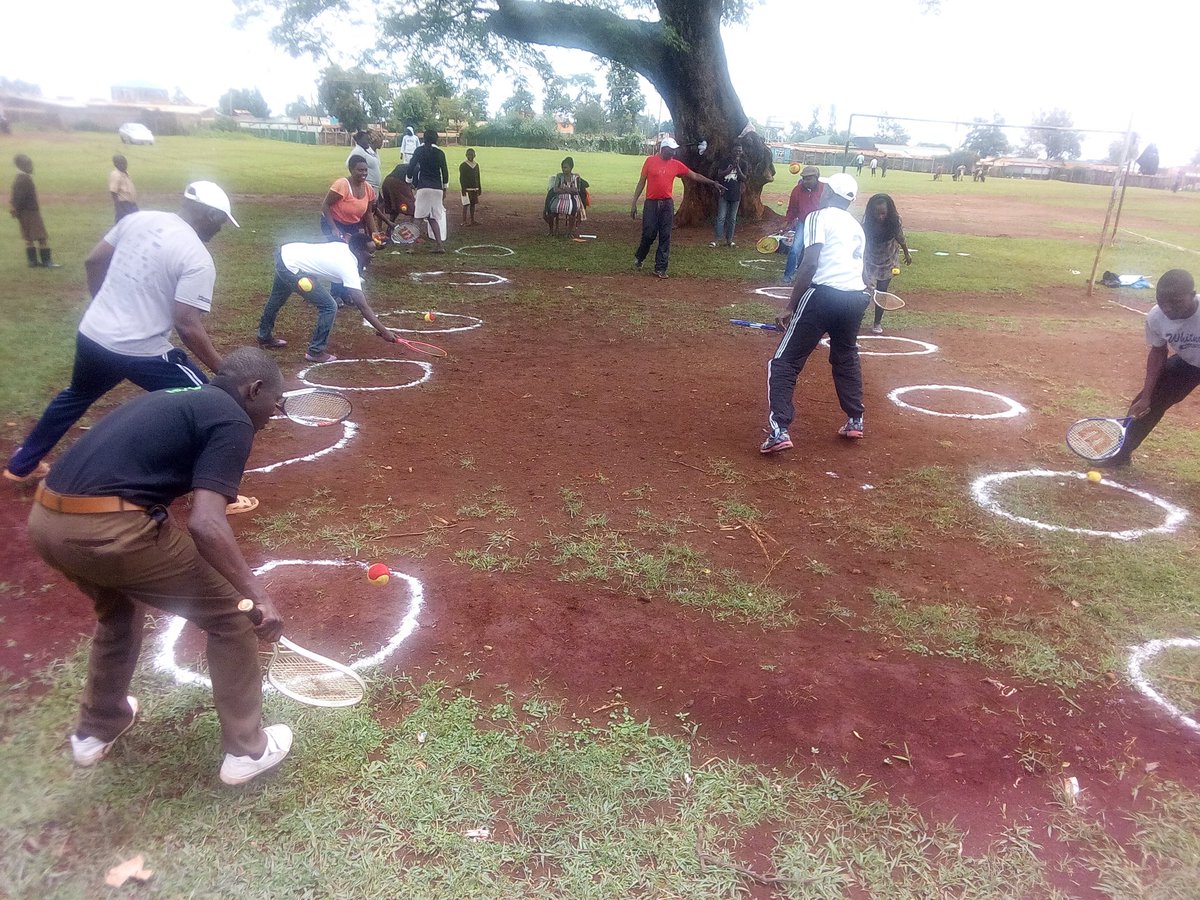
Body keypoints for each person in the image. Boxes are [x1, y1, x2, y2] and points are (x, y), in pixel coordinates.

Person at [26, 347, 295, 785]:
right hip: (110, 531)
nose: (273, 415)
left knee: (118, 612)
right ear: (254, 390)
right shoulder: (233, 418)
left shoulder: (175, 396)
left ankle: (97, 730)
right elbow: (206, 524)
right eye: (275, 404)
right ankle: (248, 750)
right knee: (233, 616)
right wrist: (257, 594)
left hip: (46, 522)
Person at [4, 182, 239, 485]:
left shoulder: (136, 220)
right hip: (139, 350)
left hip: (94, 334)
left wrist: (102, 301)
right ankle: (211, 488)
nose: (220, 229)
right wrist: (226, 372)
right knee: (207, 402)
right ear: (208, 214)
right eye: (220, 221)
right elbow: (187, 324)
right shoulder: (197, 257)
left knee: (75, 395)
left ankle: (21, 465)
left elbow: (93, 260)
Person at [761, 172, 870, 453]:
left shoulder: (818, 217)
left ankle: (779, 429)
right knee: (845, 357)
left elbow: (809, 264)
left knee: (784, 362)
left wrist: (790, 307)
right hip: (856, 297)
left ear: (829, 193)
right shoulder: (856, 226)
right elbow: (862, 269)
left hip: (823, 295)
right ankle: (855, 419)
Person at [1101, 269, 1200, 468]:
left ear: (1192, 295)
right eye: (1162, 301)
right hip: (1189, 364)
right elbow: (1158, 352)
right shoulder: (1156, 317)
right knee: (1146, 405)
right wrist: (1147, 395)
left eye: (1176, 302)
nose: (1168, 308)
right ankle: (1120, 455)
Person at [256, 234, 400, 363]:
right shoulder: (347, 266)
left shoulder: (346, 249)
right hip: (292, 268)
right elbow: (363, 307)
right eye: (370, 252)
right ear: (357, 251)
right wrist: (384, 331)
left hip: (286, 254)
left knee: (277, 298)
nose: (372, 256)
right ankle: (315, 351)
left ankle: (264, 336)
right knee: (329, 306)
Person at [629, 137, 721, 278]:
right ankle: (640, 257)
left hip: (667, 204)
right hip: (651, 203)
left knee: (665, 235)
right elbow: (641, 182)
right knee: (649, 234)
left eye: (674, 150)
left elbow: (694, 175)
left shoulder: (676, 165)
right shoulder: (650, 161)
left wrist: (713, 182)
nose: (673, 153)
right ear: (663, 149)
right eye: (671, 150)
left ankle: (660, 268)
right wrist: (634, 203)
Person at [862, 193, 912, 335]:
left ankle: (877, 322)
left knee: (882, 291)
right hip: (870, 257)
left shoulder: (894, 221)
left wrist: (907, 254)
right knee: (864, 290)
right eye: (877, 213)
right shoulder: (866, 222)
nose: (880, 216)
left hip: (888, 258)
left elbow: (901, 238)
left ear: (888, 211)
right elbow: (861, 240)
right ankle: (859, 316)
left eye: (883, 213)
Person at [10, 154, 61, 268]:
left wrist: (15, 210)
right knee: (42, 237)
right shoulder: (25, 179)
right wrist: (16, 209)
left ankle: (32, 262)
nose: (31, 166)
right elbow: (20, 198)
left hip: (23, 213)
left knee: (28, 237)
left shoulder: (19, 178)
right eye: (28, 164)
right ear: (22, 165)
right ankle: (47, 262)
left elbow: (15, 198)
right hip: (31, 213)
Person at [406, 128, 449, 252]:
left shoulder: (419, 151)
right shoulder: (440, 153)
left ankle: (411, 247)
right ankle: (440, 245)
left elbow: (411, 167)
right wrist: (445, 188)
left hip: (424, 187)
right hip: (437, 188)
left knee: (418, 218)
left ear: (423, 139)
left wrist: (409, 181)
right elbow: (445, 172)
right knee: (433, 218)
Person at [782, 165, 824, 284]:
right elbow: (792, 208)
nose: (806, 181)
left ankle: (815, 277)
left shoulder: (825, 190)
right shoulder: (797, 190)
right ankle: (788, 276)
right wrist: (787, 221)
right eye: (804, 178)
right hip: (803, 222)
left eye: (809, 178)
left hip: (819, 223)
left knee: (817, 250)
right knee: (795, 248)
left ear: (817, 178)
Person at [321, 157, 376, 243]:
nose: (364, 173)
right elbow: (325, 205)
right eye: (360, 170)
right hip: (334, 222)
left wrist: (374, 233)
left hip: (353, 224)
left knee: (356, 248)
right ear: (351, 170)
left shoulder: (369, 189)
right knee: (341, 247)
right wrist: (334, 228)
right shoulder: (342, 185)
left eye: (366, 170)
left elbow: (368, 213)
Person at [711, 143, 747, 248]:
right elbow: (719, 174)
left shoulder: (744, 163)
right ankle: (717, 240)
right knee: (721, 217)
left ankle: (729, 240)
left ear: (742, 152)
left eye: (740, 151)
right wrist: (730, 169)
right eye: (736, 150)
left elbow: (744, 178)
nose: (738, 152)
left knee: (732, 219)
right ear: (732, 151)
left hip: (736, 194)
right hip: (724, 193)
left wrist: (738, 167)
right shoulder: (724, 161)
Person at [544, 156, 587, 237]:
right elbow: (556, 189)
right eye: (562, 167)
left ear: (571, 168)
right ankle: (551, 231)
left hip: (572, 198)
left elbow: (576, 190)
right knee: (551, 209)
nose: (563, 169)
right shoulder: (559, 176)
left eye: (565, 167)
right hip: (560, 197)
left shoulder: (576, 177)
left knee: (573, 209)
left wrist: (564, 189)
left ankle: (569, 232)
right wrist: (568, 189)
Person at [346, 129, 382, 193]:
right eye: (365, 139)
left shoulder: (368, 151)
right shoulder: (358, 151)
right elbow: (349, 164)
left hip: (374, 187)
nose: (367, 142)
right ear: (360, 140)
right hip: (367, 186)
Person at [108, 154, 138, 222]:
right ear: (116, 164)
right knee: (123, 223)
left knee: (135, 222)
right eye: (121, 164)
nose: (124, 165)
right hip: (123, 204)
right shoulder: (115, 175)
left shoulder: (125, 173)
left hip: (132, 204)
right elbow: (113, 192)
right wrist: (118, 207)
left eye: (125, 163)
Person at [459, 148, 482, 226]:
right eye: (468, 154)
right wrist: (463, 189)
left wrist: (479, 188)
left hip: (474, 188)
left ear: (474, 155)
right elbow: (462, 178)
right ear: (466, 155)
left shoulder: (476, 165)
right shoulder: (463, 165)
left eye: (471, 154)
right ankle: (464, 221)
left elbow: (478, 177)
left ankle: (472, 220)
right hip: (466, 189)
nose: (470, 156)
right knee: (466, 204)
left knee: (473, 204)